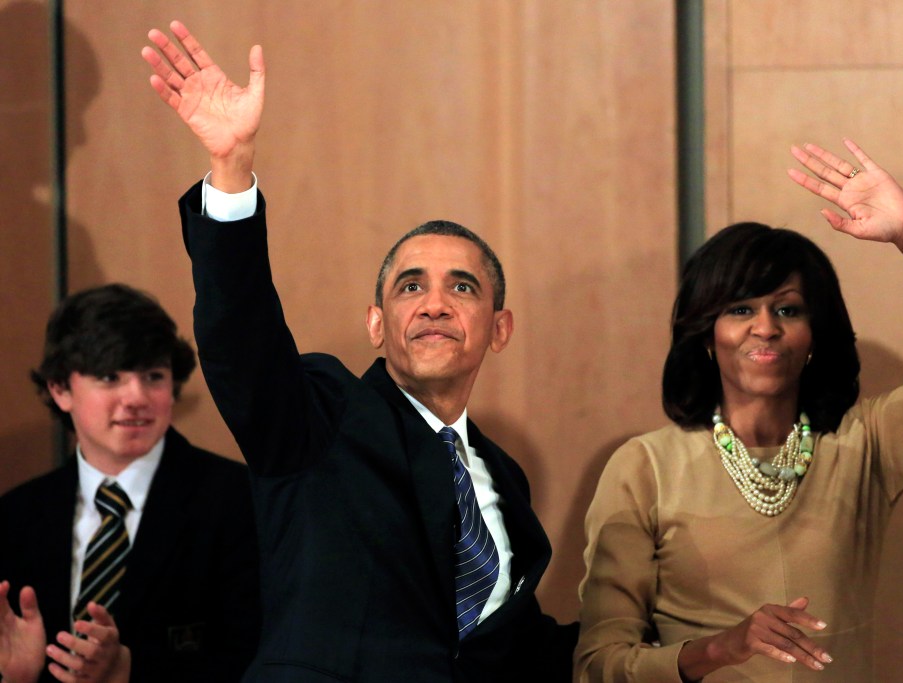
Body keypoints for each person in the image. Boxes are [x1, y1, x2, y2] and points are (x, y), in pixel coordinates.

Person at [141, 20, 578, 683]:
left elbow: (513, 650)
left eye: (462, 287)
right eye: (410, 287)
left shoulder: (502, 477)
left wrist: (693, 649)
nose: (434, 303)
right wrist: (232, 169)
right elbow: (241, 341)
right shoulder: (321, 413)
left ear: (499, 327)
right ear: (377, 323)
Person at [574, 139, 903, 682]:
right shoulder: (644, 468)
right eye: (741, 309)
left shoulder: (864, 444)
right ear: (707, 335)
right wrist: (721, 649)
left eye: (788, 309)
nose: (766, 327)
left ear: (813, 334)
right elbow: (598, 666)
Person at [0, 284, 261, 683]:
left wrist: (130, 672)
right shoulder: (15, 515)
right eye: (110, 377)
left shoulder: (239, 501)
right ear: (60, 389)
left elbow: (260, 657)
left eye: (154, 376)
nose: (137, 397)